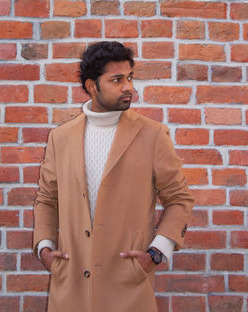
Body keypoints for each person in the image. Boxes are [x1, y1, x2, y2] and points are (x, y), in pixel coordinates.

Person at [33, 41, 194, 312]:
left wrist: (155, 253)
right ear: (92, 86)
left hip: (127, 285)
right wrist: (45, 249)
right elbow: (47, 199)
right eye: (117, 80)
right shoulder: (60, 138)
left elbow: (179, 199)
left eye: (129, 77)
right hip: (70, 285)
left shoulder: (153, 135)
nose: (128, 86)